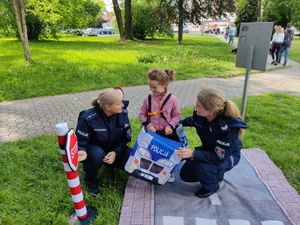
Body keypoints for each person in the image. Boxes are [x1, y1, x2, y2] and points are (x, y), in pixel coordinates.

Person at [176, 88, 247, 198]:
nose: (196, 108)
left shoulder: (227, 129)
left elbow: (218, 157)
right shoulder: (202, 116)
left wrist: (194, 153)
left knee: (202, 168)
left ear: (211, 111)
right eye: (196, 104)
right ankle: (214, 174)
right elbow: (193, 121)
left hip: (227, 156)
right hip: (210, 149)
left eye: (199, 106)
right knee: (186, 175)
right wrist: (177, 124)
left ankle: (212, 185)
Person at [76, 88, 132, 195]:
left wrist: (116, 152)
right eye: (119, 103)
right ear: (108, 107)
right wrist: (81, 151)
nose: (123, 105)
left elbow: (125, 138)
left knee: (132, 157)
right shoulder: (88, 118)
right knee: (96, 155)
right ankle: (90, 181)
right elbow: (80, 141)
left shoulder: (122, 113)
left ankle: (111, 164)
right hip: (96, 149)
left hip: (114, 148)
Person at [139, 68, 181, 182]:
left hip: (167, 133)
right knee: (150, 154)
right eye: (150, 87)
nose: (152, 90)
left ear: (164, 84)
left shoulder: (173, 99)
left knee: (167, 154)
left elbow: (177, 116)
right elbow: (142, 114)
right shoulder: (147, 99)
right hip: (153, 132)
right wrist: (148, 125)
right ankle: (148, 170)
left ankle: (169, 172)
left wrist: (170, 126)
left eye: (154, 87)